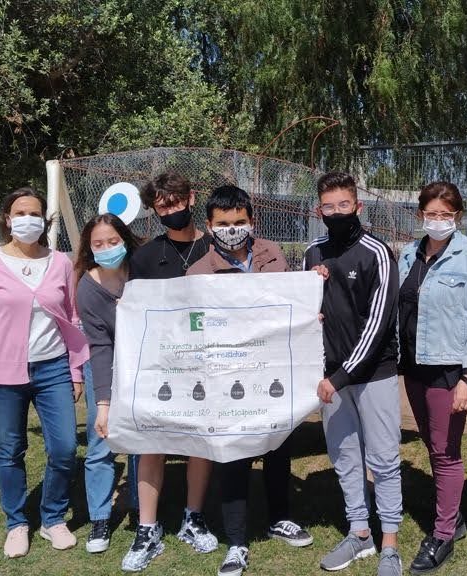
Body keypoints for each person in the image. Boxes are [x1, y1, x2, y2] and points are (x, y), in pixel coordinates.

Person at [186, 184, 314, 576]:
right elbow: (193, 327)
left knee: (278, 448)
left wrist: (311, 297)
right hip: (227, 379)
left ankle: (280, 518)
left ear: (252, 221)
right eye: (223, 223)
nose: (232, 229)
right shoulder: (198, 273)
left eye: (239, 221)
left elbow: (292, 302)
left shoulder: (273, 254)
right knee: (233, 458)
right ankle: (236, 542)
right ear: (209, 226)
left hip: (273, 370)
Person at [0, 187, 90, 558]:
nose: (27, 220)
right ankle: (17, 523)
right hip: (3, 374)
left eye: (34, 213)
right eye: (20, 213)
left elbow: (72, 317)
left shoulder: (61, 262)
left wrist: (75, 371)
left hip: (53, 369)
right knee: (11, 449)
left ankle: (52, 518)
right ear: (8, 219)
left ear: (44, 220)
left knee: (65, 448)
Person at [303, 172, 403, 576]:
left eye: (344, 205)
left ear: (358, 206)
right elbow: (305, 310)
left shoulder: (378, 252)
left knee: (383, 459)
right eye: (329, 207)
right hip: (329, 375)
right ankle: (359, 532)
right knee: (344, 457)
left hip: (373, 374)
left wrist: (340, 377)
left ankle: (390, 544)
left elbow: (379, 325)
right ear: (319, 211)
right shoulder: (313, 252)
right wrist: (311, 302)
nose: (337, 213)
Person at [396, 181, 467, 574]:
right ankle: (453, 517)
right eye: (432, 213)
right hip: (414, 365)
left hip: (449, 370)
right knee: (431, 443)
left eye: (446, 214)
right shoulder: (409, 253)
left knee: (445, 451)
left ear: (458, 216)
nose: (438, 220)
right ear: (420, 214)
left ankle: (442, 534)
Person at [122, 171, 219, 572]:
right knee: (152, 442)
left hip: (207, 363)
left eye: (176, 203)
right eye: (162, 207)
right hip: (160, 364)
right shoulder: (145, 257)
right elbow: (136, 315)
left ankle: (193, 517)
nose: (171, 211)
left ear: (191, 198)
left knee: (200, 440)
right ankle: (148, 528)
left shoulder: (216, 247)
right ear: (154, 211)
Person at [73, 213, 142, 554]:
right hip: (105, 365)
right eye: (98, 244)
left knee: (141, 437)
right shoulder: (87, 289)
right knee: (102, 440)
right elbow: (99, 347)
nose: (107, 248)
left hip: (143, 365)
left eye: (113, 241)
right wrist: (104, 404)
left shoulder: (141, 272)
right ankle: (100, 517)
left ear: (125, 240)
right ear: (89, 248)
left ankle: (143, 507)